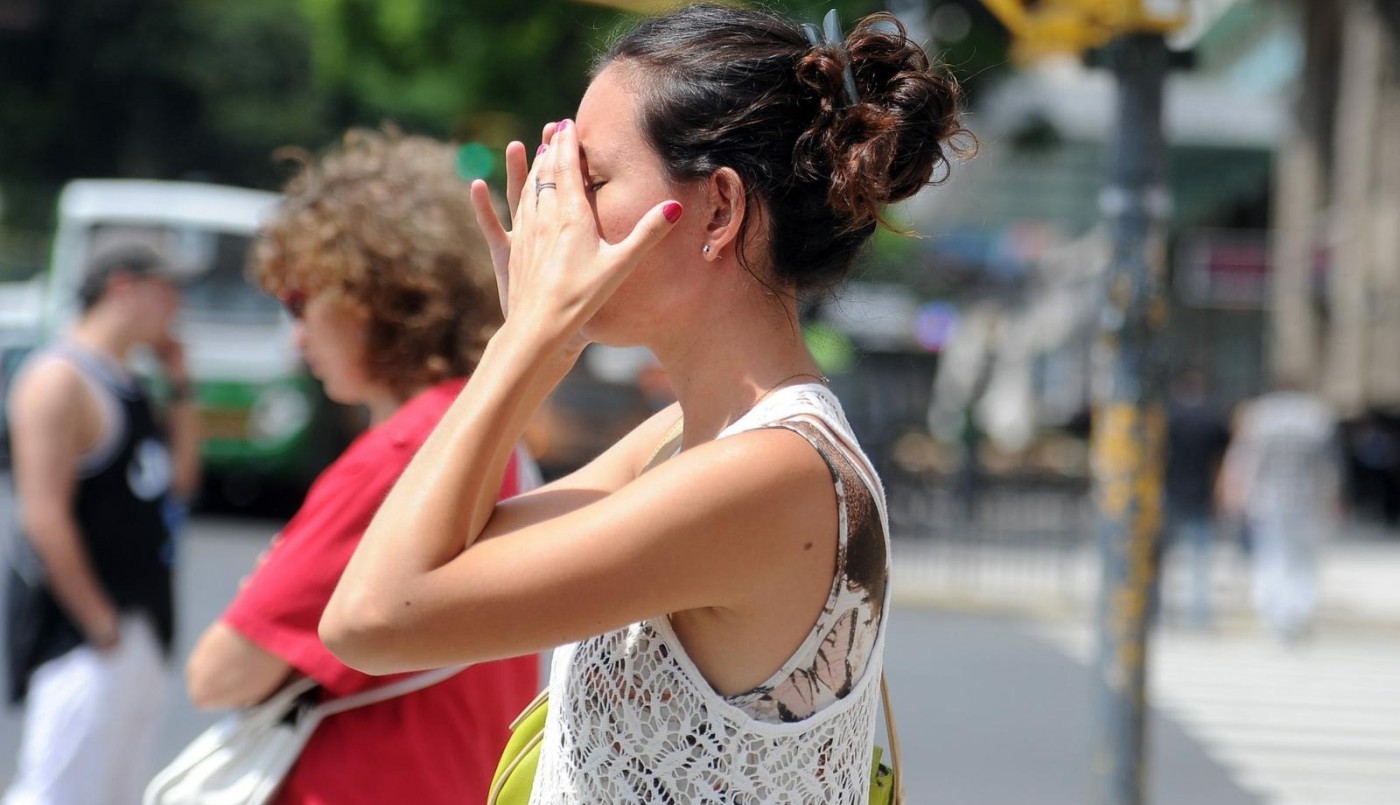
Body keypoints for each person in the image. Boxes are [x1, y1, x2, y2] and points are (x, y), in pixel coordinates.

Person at [320, 7, 968, 803]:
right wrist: (543, 341)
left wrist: (524, 339)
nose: (557, 216)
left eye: (590, 182)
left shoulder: (772, 474)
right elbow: (446, 554)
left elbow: (374, 617)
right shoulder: (680, 442)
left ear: (721, 210)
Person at [182, 130, 539, 805]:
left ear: (370, 294)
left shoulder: (404, 455)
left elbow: (218, 672)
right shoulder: (485, 424)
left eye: (298, 301)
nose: (296, 333)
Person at [4, 243, 200, 805]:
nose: (176, 305)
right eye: (166, 289)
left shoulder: (131, 379)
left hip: (142, 621)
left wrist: (181, 385)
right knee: (56, 789)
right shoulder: (58, 379)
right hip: (84, 635)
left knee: (116, 789)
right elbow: (42, 514)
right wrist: (100, 623)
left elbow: (180, 481)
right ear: (123, 287)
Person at [1219, 380, 1342, 642]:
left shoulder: (1260, 415)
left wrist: (1236, 494)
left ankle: (1275, 614)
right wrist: (1332, 498)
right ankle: (1297, 612)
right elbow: (1329, 466)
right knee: (1302, 561)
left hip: (1268, 501)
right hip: (1306, 501)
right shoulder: (1316, 417)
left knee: (1271, 556)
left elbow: (1244, 461)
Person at [1163, 368, 1231, 628]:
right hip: (1202, 492)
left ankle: (1158, 611)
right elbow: (1220, 460)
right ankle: (1198, 614)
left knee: (1161, 557)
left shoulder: (1172, 416)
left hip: (1171, 490)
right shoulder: (1212, 418)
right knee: (1199, 559)